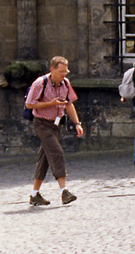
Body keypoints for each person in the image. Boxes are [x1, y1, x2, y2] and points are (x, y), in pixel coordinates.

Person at [24, 55, 84, 206]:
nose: (64, 74)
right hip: (42, 124)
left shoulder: (65, 83)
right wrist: (50, 104)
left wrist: (77, 123)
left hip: (56, 125)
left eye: (66, 71)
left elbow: (69, 104)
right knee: (57, 152)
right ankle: (64, 191)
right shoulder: (40, 83)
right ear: (52, 70)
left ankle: (34, 194)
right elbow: (30, 104)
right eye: (62, 71)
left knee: (44, 159)